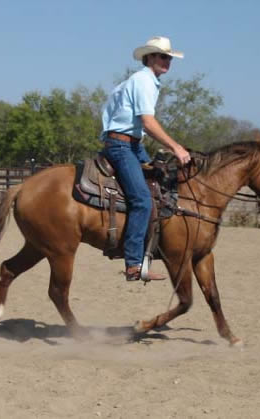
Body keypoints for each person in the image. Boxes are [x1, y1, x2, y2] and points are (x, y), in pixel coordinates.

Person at [101, 36, 191, 281]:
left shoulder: (144, 81)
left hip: (131, 143)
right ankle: (133, 263)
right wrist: (176, 147)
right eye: (163, 56)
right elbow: (148, 123)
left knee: (161, 188)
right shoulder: (143, 81)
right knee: (142, 199)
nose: (167, 61)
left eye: (169, 58)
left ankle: (154, 246)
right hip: (122, 145)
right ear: (150, 57)